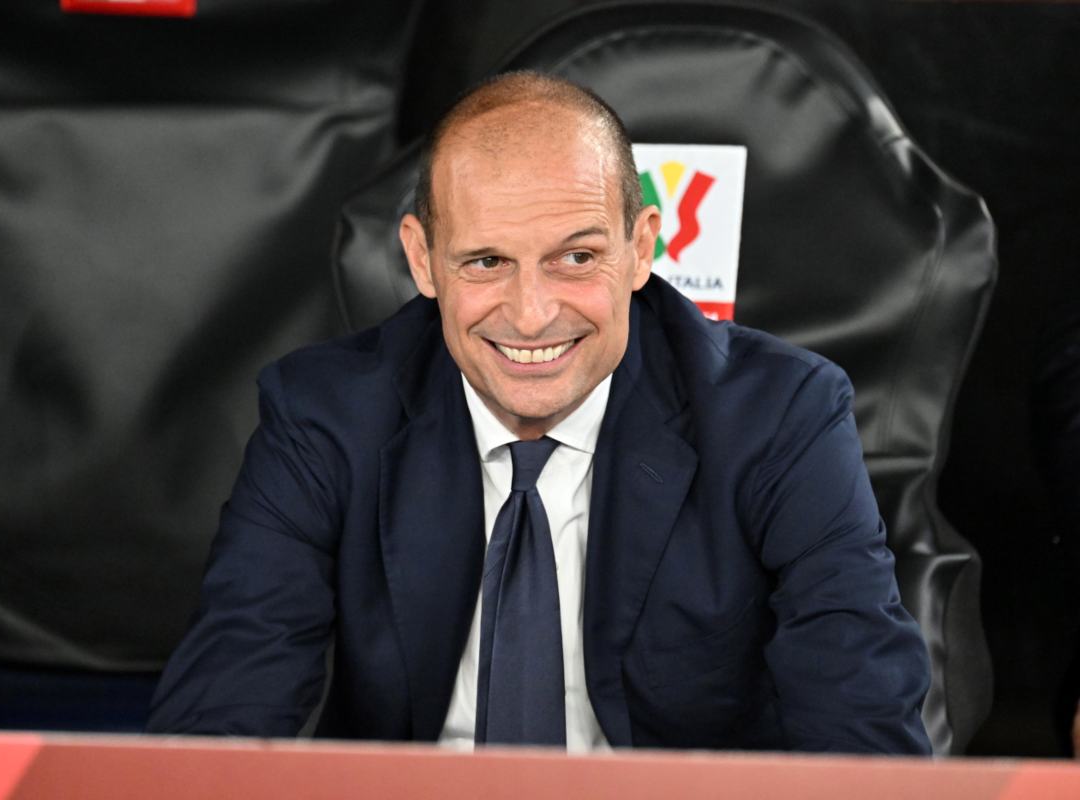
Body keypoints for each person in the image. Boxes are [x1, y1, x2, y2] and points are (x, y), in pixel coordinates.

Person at [146, 71, 932, 754]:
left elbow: (860, 729)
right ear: (422, 259)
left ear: (641, 247)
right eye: (487, 261)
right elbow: (225, 708)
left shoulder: (782, 416)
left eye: (576, 257)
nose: (530, 315)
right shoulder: (323, 417)